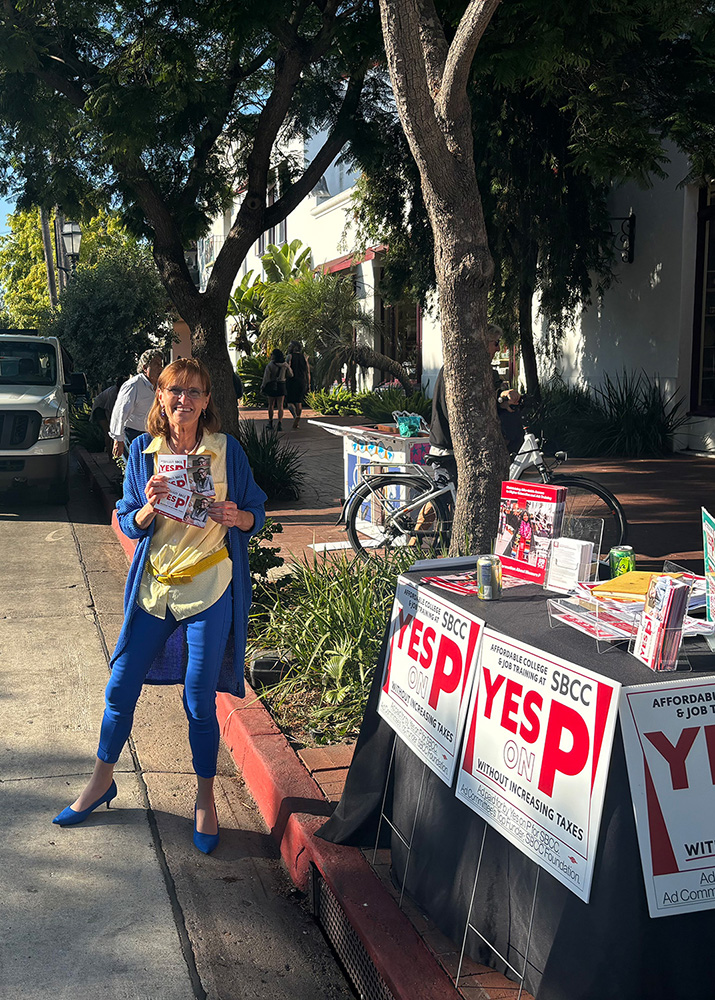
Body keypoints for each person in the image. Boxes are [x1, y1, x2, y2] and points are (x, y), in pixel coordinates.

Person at [52, 358, 267, 855]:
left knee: (198, 700)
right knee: (120, 684)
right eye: (175, 391)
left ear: (207, 400)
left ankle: (205, 798)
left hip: (209, 586)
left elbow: (257, 508)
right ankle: (101, 780)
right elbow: (124, 521)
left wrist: (238, 516)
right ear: (161, 398)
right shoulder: (142, 456)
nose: (184, 400)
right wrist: (147, 506)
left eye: (194, 391)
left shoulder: (226, 452)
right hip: (155, 588)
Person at [428, 325, 523, 481]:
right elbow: (471, 404)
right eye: (496, 343)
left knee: (447, 497)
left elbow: (486, 400)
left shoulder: (484, 371)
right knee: (445, 497)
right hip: (449, 447)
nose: (498, 349)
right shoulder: (458, 370)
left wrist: (502, 401)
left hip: (461, 447)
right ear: (483, 343)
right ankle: (413, 507)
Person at [109, 350, 164, 458]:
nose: (160, 368)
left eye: (161, 364)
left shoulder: (160, 386)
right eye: (156, 364)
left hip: (154, 434)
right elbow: (120, 412)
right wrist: (118, 439)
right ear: (145, 368)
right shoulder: (133, 385)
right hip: (133, 435)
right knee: (135, 471)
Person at [261, 349, 292, 431]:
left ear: (274, 356)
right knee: (280, 406)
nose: (270, 356)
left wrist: (263, 386)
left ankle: (270, 422)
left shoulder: (270, 365)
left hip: (272, 386)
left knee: (270, 405)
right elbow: (291, 374)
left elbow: (266, 378)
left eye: (271, 354)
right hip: (281, 385)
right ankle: (280, 423)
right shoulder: (285, 365)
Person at [285, 340, 311, 430]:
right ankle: (297, 421)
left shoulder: (290, 356)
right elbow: (307, 371)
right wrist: (308, 383)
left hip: (292, 381)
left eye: (290, 346)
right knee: (298, 401)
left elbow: (287, 368)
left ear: (293, 347)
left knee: (289, 402)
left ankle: (295, 416)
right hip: (302, 381)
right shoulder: (304, 357)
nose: (288, 348)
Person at [90, 380, 121, 456]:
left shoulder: (123, 391)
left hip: (107, 409)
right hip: (100, 409)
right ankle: (110, 456)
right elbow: (109, 410)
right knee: (108, 432)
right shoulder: (113, 393)